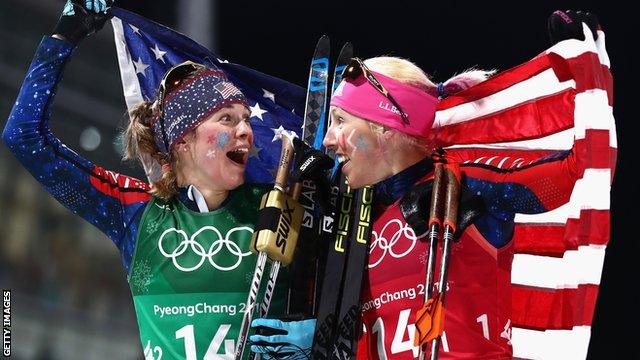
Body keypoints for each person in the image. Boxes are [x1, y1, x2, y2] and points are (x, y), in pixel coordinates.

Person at [250, 9, 609, 360]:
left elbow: (578, 176)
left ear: (385, 128)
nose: (328, 139)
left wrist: (586, 74)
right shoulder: (351, 218)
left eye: (341, 121)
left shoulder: (462, 188)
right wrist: (324, 340)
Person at [2, 1, 288, 358]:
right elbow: (24, 137)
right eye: (227, 119)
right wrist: (63, 37)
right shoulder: (135, 210)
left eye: (246, 118)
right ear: (183, 140)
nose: (246, 130)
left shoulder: (278, 206)